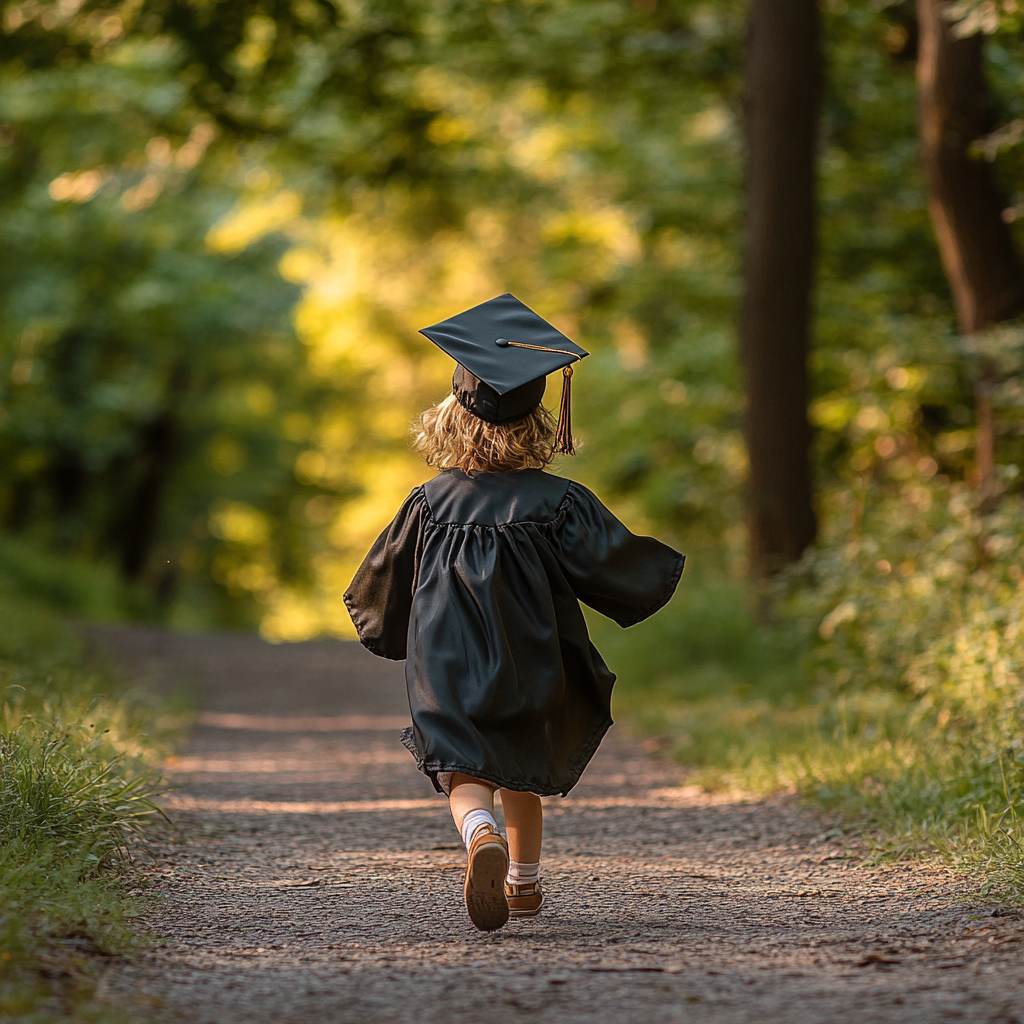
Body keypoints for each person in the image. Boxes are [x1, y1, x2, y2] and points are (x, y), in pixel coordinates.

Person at [344, 293, 685, 932]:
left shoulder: (428, 502)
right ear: (538, 424)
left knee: (462, 767)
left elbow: (382, 583)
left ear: (451, 418)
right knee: (522, 761)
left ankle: (478, 833)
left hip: (446, 668)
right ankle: (524, 885)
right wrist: (654, 575)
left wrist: (391, 633)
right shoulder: (558, 500)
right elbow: (613, 568)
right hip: (534, 660)